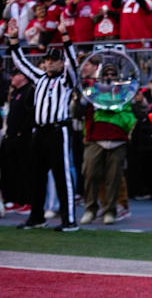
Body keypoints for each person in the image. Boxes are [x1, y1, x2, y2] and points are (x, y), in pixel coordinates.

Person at [8, 19, 80, 232]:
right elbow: (21, 63)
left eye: (53, 61)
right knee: (36, 175)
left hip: (59, 130)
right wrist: (13, 39)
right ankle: (37, 217)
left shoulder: (66, 80)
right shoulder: (39, 77)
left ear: (60, 63)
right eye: (47, 60)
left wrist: (65, 37)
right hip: (39, 132)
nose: (49, 63)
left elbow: (74, 64)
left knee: (62, 175)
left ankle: (69, 220)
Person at [78, 63, 140, 225]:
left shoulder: (126, 93)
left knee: (114, 178)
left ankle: (109, 210)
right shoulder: (92, 92)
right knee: (90, 174)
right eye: (107, 74)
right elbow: (79, 113)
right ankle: (90, 209)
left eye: (113, 74)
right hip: (95, 138)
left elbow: (132, 115)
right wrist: (80, 99)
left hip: (117, 139)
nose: (110, 77)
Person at [0, 68, 35, 215]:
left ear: (24, 77)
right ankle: (14, 200)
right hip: (10, 136)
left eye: (16, 75)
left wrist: (22, 131)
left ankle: (26, 201)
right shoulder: (14, 93)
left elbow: (31, 114)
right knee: (10, 170)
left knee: (23, 170)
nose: (12, 78)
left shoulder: (29, 91)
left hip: (22, 139)